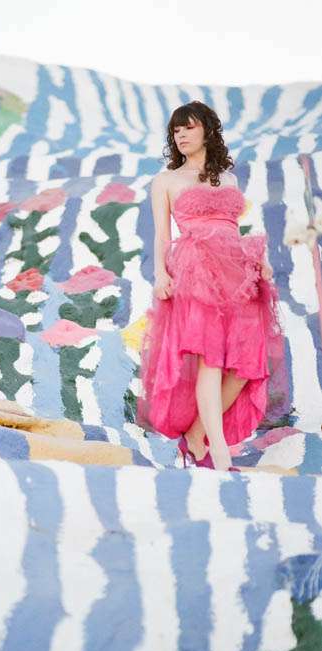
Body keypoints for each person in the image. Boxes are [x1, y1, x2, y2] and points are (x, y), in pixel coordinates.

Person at [136, 100, 290, 472]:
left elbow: (232, 229)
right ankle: (217, 452)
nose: (181, 135)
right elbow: (162, 235)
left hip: (237, 272)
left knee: (245, 365)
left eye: (188, 127)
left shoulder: (229, 178)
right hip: (196, 270)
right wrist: (161, 274)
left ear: (207, 129)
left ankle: (196, 435)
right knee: (211, 358)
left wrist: (259, 262)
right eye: (176, 130)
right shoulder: (167, 180)